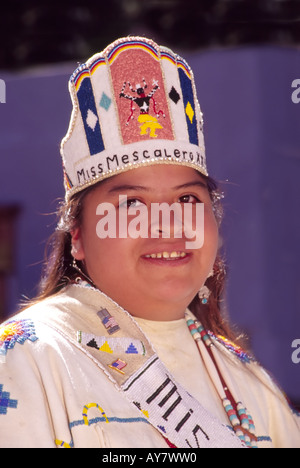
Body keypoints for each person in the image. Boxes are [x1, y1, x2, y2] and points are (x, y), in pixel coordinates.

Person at [0, 36, 299, 449]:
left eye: (188, 199)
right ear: (79, 238)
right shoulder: (25, 360)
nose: (168, 225)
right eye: (131, 203)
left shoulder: (248, 382)